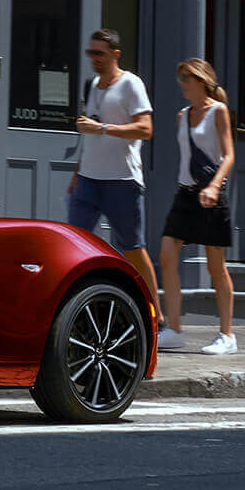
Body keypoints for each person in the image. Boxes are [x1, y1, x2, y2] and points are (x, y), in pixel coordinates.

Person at [68, 29, 166, 331]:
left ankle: (155, 316)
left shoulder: (131, 84)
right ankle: (75, 312)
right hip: (88, 179)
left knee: (132, 248)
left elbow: (145, 129)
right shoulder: (92, 85)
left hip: (122, 180)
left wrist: (104, 129)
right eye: (91, 53)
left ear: (115, 54)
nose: (94, 59)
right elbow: (90, 136)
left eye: (100, 53)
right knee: (74, 244)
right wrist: (77, 173)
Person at [156, 58, 237, 355]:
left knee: (217, 267)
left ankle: (227, 335)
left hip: (211, 194)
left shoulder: (218, 112)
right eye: (180, 79)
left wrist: (215, 186)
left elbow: (228, 156)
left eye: (185, 79)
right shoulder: (182, 115)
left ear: (200, 81)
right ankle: (175, 329)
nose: (181, 84)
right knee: (166, 256)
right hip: (185, 194)